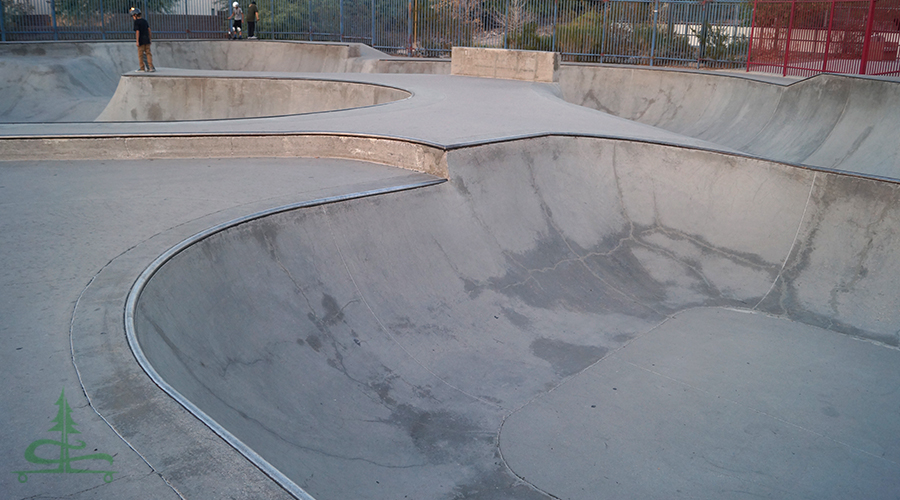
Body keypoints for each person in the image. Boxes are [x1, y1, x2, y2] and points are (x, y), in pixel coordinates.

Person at [130, 8, 155, 72]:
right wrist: (150, 39)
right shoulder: (144, 21)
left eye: (133, 16)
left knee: (140, 55)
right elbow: (149, 30)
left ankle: (142, 68)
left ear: (135, 15)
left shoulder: (136, 22)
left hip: (141, 40)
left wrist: (137, 41)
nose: (133, 17)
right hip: (147, 40)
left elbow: (137, 32)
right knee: (148, 53)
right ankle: (150, 67)